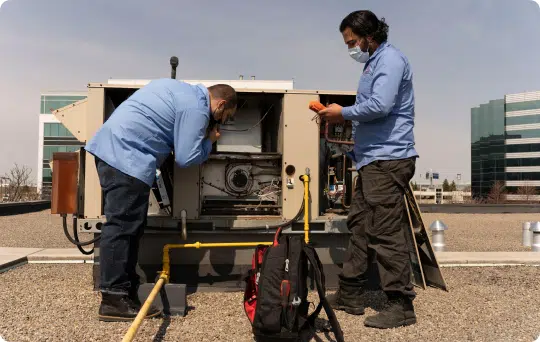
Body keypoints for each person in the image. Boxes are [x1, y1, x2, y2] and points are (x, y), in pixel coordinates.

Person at [84, 78, 237, 322]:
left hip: (118, 151)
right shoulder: (196, 108)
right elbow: (186, 158)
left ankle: (126, 289)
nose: (220, 121)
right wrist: (209, 142)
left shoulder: (179, 90)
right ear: (220, 104)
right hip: (126, 156)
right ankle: (113, 298)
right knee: (122, 226)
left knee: (131, 226)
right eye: (224, 116)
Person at [317, 10, 419, 329]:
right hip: (372, 160)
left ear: (367, 36)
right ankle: (350, 294)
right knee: (359, 225)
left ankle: (401, 305)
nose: (351, 47)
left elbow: (380, 105)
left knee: (386, 230)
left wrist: (342, 113)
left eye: (352, 41)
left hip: (387, 160)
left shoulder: (390, 61)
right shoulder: (373, 63)